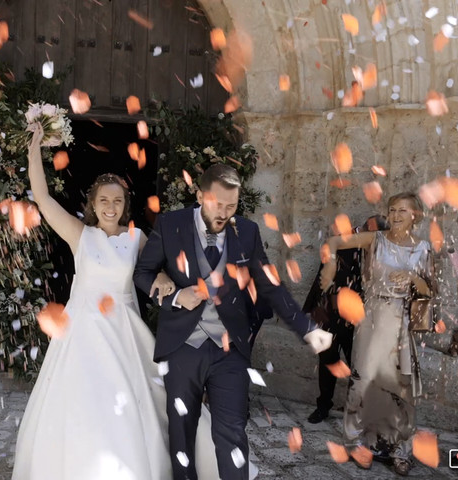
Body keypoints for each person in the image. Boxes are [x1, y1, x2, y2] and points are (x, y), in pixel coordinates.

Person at [13, 127, 243, 479]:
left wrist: (173, 283)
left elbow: (158, 270)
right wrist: (34, 150)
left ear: (125, 206)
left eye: (117, 201)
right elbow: (42, 198)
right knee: (80, 399)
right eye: (104, 200)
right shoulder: (80, 235)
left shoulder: (137, 238)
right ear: (93, 204)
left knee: (141, 400)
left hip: (122, 328)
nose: (110, 206)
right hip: (82, 331)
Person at [133, 163, 333, 480]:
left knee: (233, 433)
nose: (225, 213)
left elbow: (270, 286)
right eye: (218, 204)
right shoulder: (170, 224)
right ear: (200, 195)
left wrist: (307, 329)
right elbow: (142, 273)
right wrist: (174, 296)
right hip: (182, 347)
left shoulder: (247, 232)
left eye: (232, 205)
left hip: (229, 350)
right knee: (181, 433)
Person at [320, 192, 433, 476]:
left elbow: (429, 291)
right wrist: (332, 263)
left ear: (415, 216)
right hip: (371, 319)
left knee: (400, 389)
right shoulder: (376, 239)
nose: (395, 215)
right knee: (363, 382)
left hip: (402, 324)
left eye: (402, 211)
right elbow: (334, 241)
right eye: (392, 210)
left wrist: (412, 278)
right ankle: (356, 442)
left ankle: (400, 449)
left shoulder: (423, 248)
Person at [303, 215, 388, 424]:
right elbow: (323, 277)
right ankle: (323, 406)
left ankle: (358, 409)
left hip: (360, 319)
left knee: (358, 365)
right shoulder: (343, 242)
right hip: (331, 315)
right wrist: (313, 309)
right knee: (327, 362)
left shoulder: (380, 250)